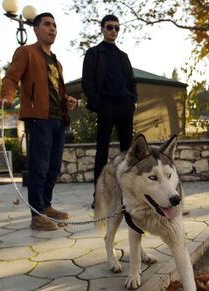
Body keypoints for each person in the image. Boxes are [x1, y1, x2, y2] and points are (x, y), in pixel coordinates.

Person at [0, 12, 78, 231]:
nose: (52, 29)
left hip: (58, 120)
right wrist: (6, 96)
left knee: (53, 169)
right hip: (38, 120)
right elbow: (11, 77)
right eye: (47, 24)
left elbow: (55, 91)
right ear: (35, 28)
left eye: (55, 25)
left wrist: (67, 100)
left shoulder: (57, 62)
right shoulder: (26, 52)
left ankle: (47, 206)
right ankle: (37, 215)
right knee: (39, 168)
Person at [81, 14, 138, 207]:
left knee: (128, 152)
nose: (113, 31)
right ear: (102, 29)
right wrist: (98, 104)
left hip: (124, 106)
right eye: (109, 27)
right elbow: (87, 82)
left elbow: (131, 82)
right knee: (102, 151)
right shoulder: (94, 53)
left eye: (116, 28)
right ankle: (99, 196)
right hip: (105, 105)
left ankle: (127, 195)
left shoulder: (123, 56)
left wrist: (132, 101)